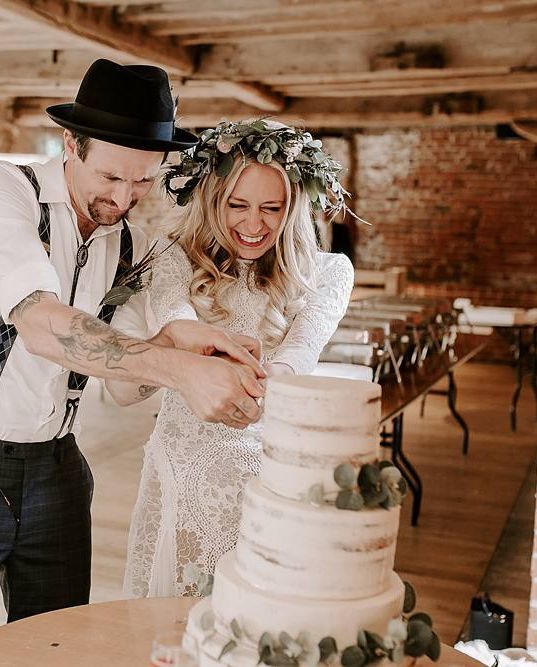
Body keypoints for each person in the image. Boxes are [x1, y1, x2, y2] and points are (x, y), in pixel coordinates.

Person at [0, 60, 266, 666]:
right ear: (70, 143)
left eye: (142, 183)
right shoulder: (1, 191)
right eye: (110, 176)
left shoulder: (126, 242)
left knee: (56, 652)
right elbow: (43, 326)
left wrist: (181, 339)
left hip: (58, 473)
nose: (122, 198)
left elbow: (120, 388)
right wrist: (180, 372)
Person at [117, 119, 356, 598]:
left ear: (294, 210)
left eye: (272, 208)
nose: (253, 225)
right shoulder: (173, 258)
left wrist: (268, 379)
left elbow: (295, 357)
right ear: (212, 201)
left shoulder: (328, 273)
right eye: (237, 205)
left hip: (274, 473)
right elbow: (176, 321)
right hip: (185, 468)